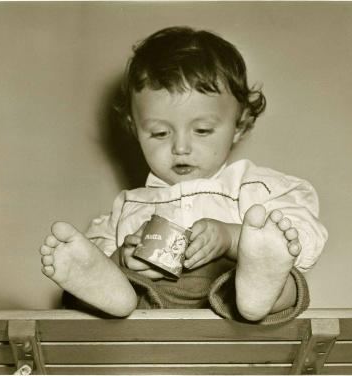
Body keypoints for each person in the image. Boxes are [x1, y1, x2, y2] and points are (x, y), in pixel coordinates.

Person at [39, 26, 328, 324]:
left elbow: (302, 241)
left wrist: (232, 238)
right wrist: (124, 257)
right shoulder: (129, 206)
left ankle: (257, 293)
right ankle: (117, 294)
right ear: (134, 129)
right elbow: (88, 256)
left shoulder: (254, 187)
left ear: (239, 125)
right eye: (159, 133)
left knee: (286, 280)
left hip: (230, 297)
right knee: (102, 275)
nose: (180, 147)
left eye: (202, 130)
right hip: (151, 303)